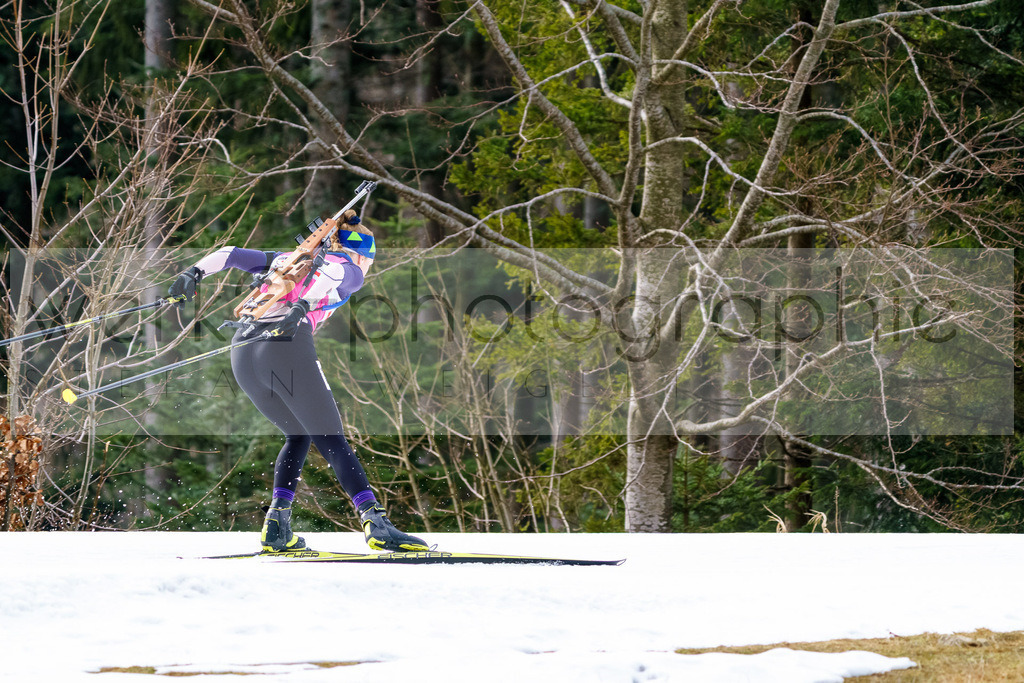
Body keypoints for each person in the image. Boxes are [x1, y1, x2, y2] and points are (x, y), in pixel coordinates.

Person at [168, 215, 428, 554]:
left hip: (243, 352)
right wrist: (304, 304)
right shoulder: (349, 267)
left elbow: (230, 253)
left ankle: (277, 526)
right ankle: (375, 522)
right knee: (332, 440)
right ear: (362, 253)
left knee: (300, 434)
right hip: (286, 344)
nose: (367, 266)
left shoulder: (285, 260)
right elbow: (332, 273)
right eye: (369, 260)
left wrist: (194, 272)